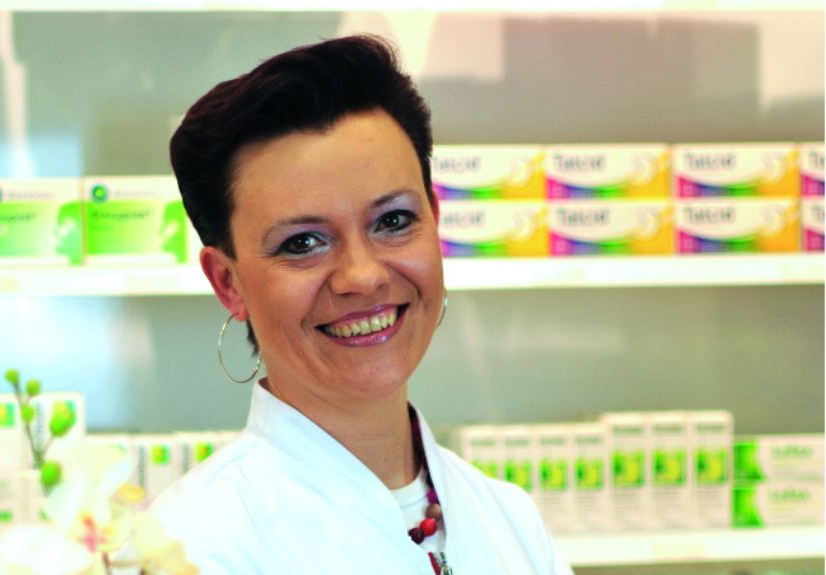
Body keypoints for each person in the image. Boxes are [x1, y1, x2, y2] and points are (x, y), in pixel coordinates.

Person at [155, 34, 573, 575]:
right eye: (302, 242)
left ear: (435, 221)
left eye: (393, 221)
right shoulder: (188, 548)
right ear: (228, 283)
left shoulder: (509, 519)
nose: (363, 276)